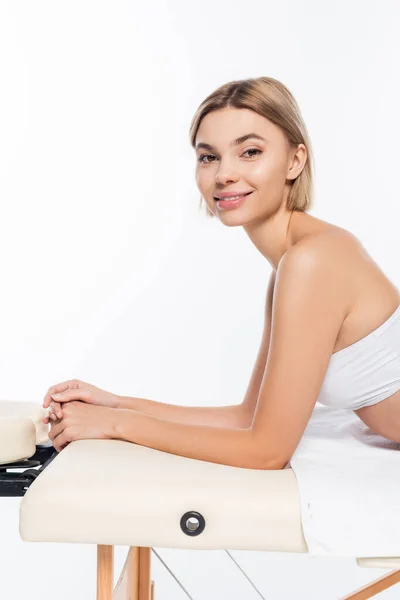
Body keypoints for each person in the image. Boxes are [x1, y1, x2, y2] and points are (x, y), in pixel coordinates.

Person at [43, 77, 400, 464]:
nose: (224, 174)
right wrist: (116, 405)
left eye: (249, 152)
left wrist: (115, 427)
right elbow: (248, 418)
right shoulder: (292, 264)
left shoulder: (313, 262)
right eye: (208, 156)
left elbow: (267, 451)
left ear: (295, 161)